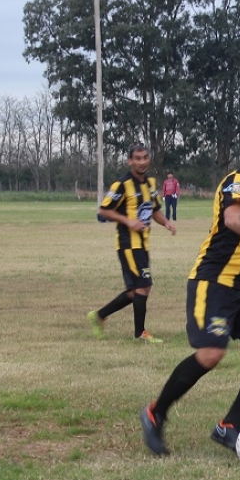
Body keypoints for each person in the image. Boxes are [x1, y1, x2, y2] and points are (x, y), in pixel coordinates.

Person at [139, 131, 240, 457]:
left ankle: (229, 425)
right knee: (210, 354)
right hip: (213, 283)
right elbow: (233, 219)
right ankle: (155, 413)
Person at [87, 144, 176, 343]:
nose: (142, 161)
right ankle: (140, 333)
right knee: (143, 286)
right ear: (130, 161)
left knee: (137, 290)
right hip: (128, 243)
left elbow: (154, 210)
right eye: (137, 158)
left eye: (145, 157)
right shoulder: (122, 185)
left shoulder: (150, 183)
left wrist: (166, 223)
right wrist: (128, 221)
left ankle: (100, 315)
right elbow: (103, 210)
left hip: (143, 244)